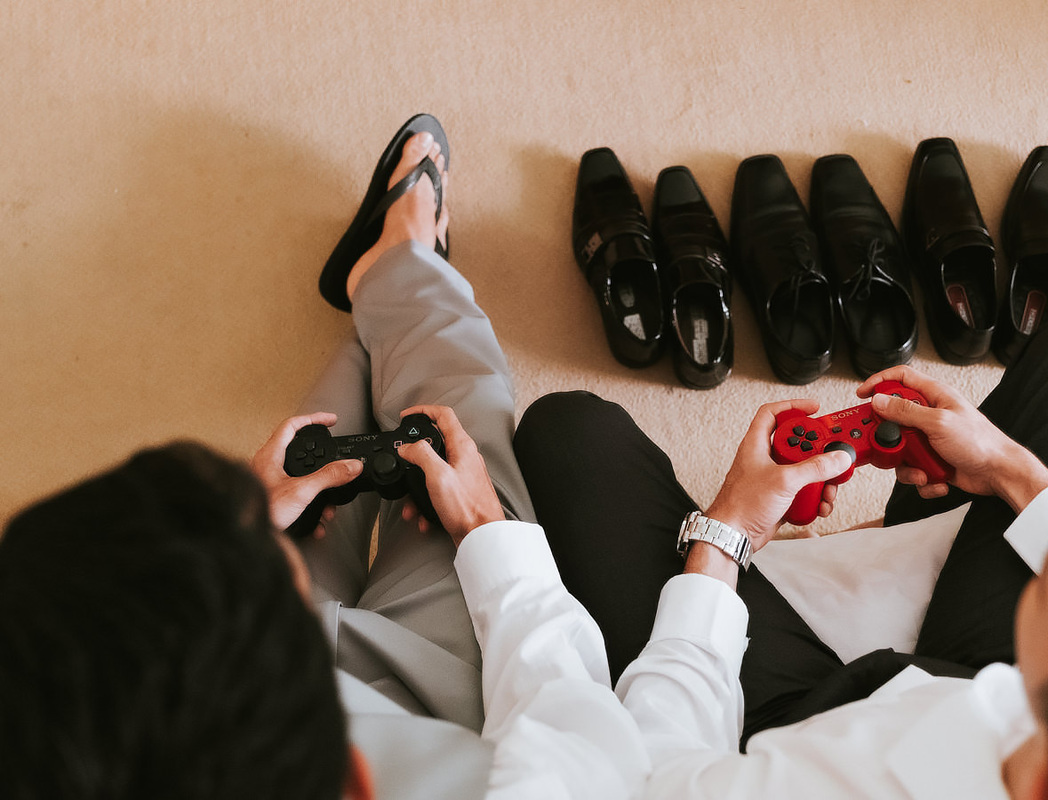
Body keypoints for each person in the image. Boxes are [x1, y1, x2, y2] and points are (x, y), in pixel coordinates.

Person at [0, 118, 651, 799]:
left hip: (217, 703)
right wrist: (487, 529)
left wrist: (242, 530)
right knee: (462, 426)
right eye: (267, 571)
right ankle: (396, 268)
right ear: (356, 781)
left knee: (318, 459)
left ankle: (391, 285)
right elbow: (578, 728)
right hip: (446, 724)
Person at [513, 317, 1048, 797]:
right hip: (1007, 685)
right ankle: (934, 497)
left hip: (817, 718)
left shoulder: (827, 784)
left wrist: (725, 535)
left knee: (570, 435)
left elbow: (656, 779)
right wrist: (1007, 469)